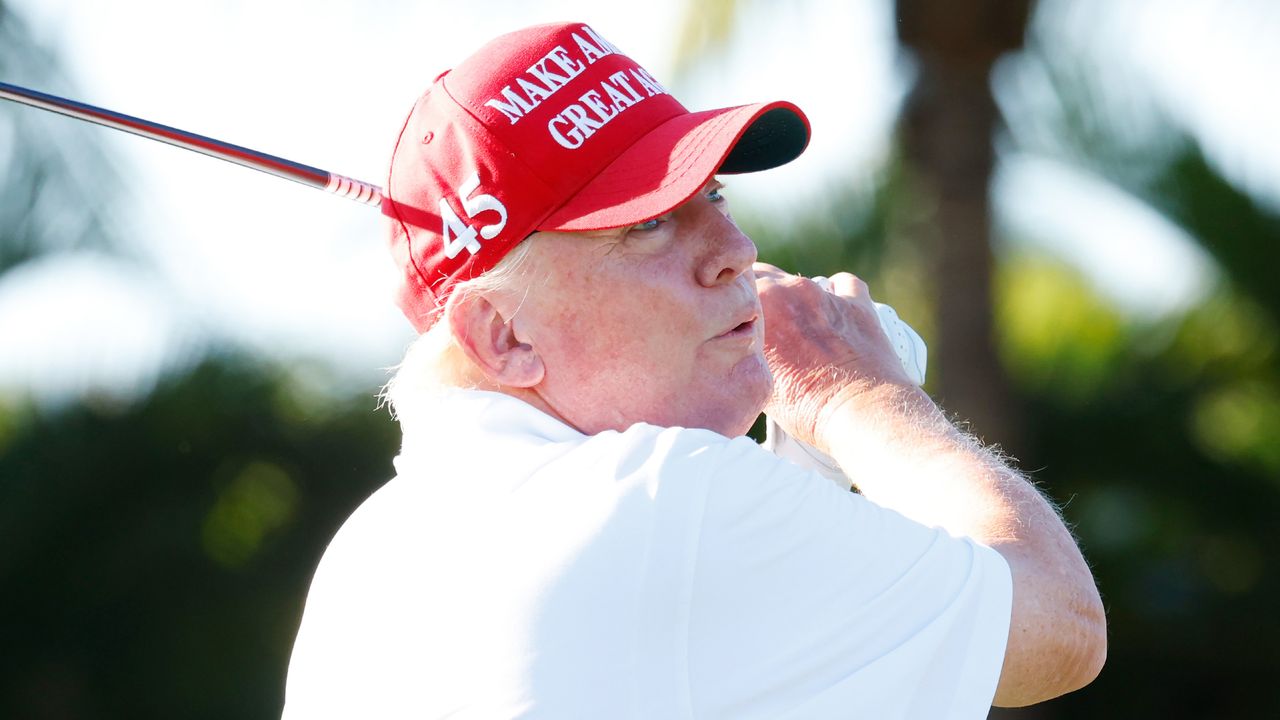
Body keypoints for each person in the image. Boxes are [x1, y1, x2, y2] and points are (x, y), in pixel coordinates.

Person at [282, 21, 1106, 719]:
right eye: (643, 227)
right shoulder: (660, 495)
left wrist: (807, 458)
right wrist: (856, 392)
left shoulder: (366, 561)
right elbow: (1058, 626)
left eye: (710, 197)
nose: (733, 252)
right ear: (502, 335)